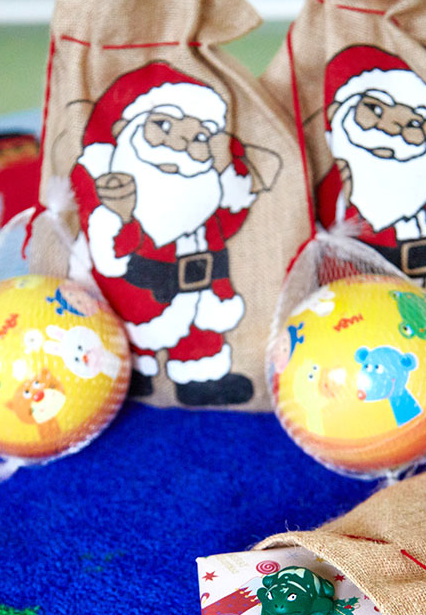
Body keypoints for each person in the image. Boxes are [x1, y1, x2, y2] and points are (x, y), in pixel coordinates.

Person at [70, 61, 278, 406]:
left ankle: (200, 375)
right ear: (124, 130)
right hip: (142, 287)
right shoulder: (115, 198)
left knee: (200, 331)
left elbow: (228, 222)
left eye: (198, 136)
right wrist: (121, 215)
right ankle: (137, 368)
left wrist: (233, 180)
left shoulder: (204, 196)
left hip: (200, 286)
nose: (180, 143)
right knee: (132, 320)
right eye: (163, 125)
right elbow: (112, 251)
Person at [317, 46, 426, 311]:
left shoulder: (424, 192)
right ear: (338, 113)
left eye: (412, 123)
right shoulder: (344, 186)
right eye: (375, 109)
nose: (394, 129)